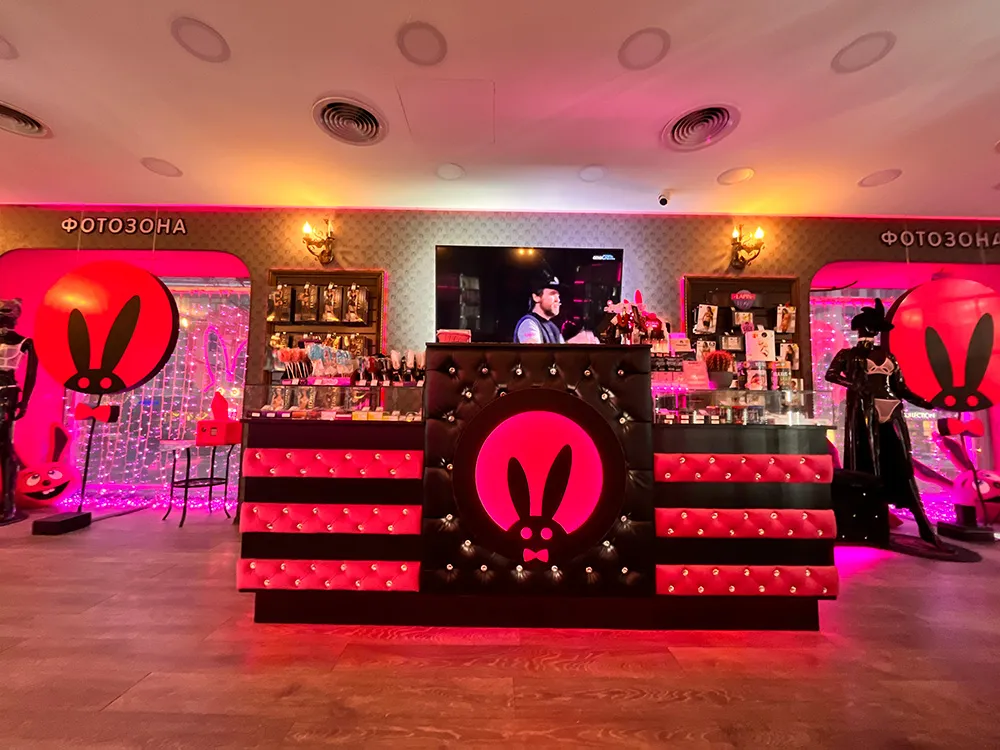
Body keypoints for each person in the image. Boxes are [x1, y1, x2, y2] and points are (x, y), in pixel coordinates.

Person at [825, 298, 941, 546]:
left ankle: (918, 518)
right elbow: (831, 375)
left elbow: (901, 387)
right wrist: (855, 385)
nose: (873, 332)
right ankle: (872, 520)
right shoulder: (849, 355)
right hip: (865, 408)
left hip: (892, 406)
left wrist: (925, 402)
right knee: (869, 459)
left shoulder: (889, 356)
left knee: (899, 459)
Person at [514, 274, 565, 344]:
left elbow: (563, 350)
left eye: (558, 296)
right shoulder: (529, 323)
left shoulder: (553, 328)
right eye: (552, 294)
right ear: (536, 297)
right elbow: (535, 350)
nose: (558, 300)